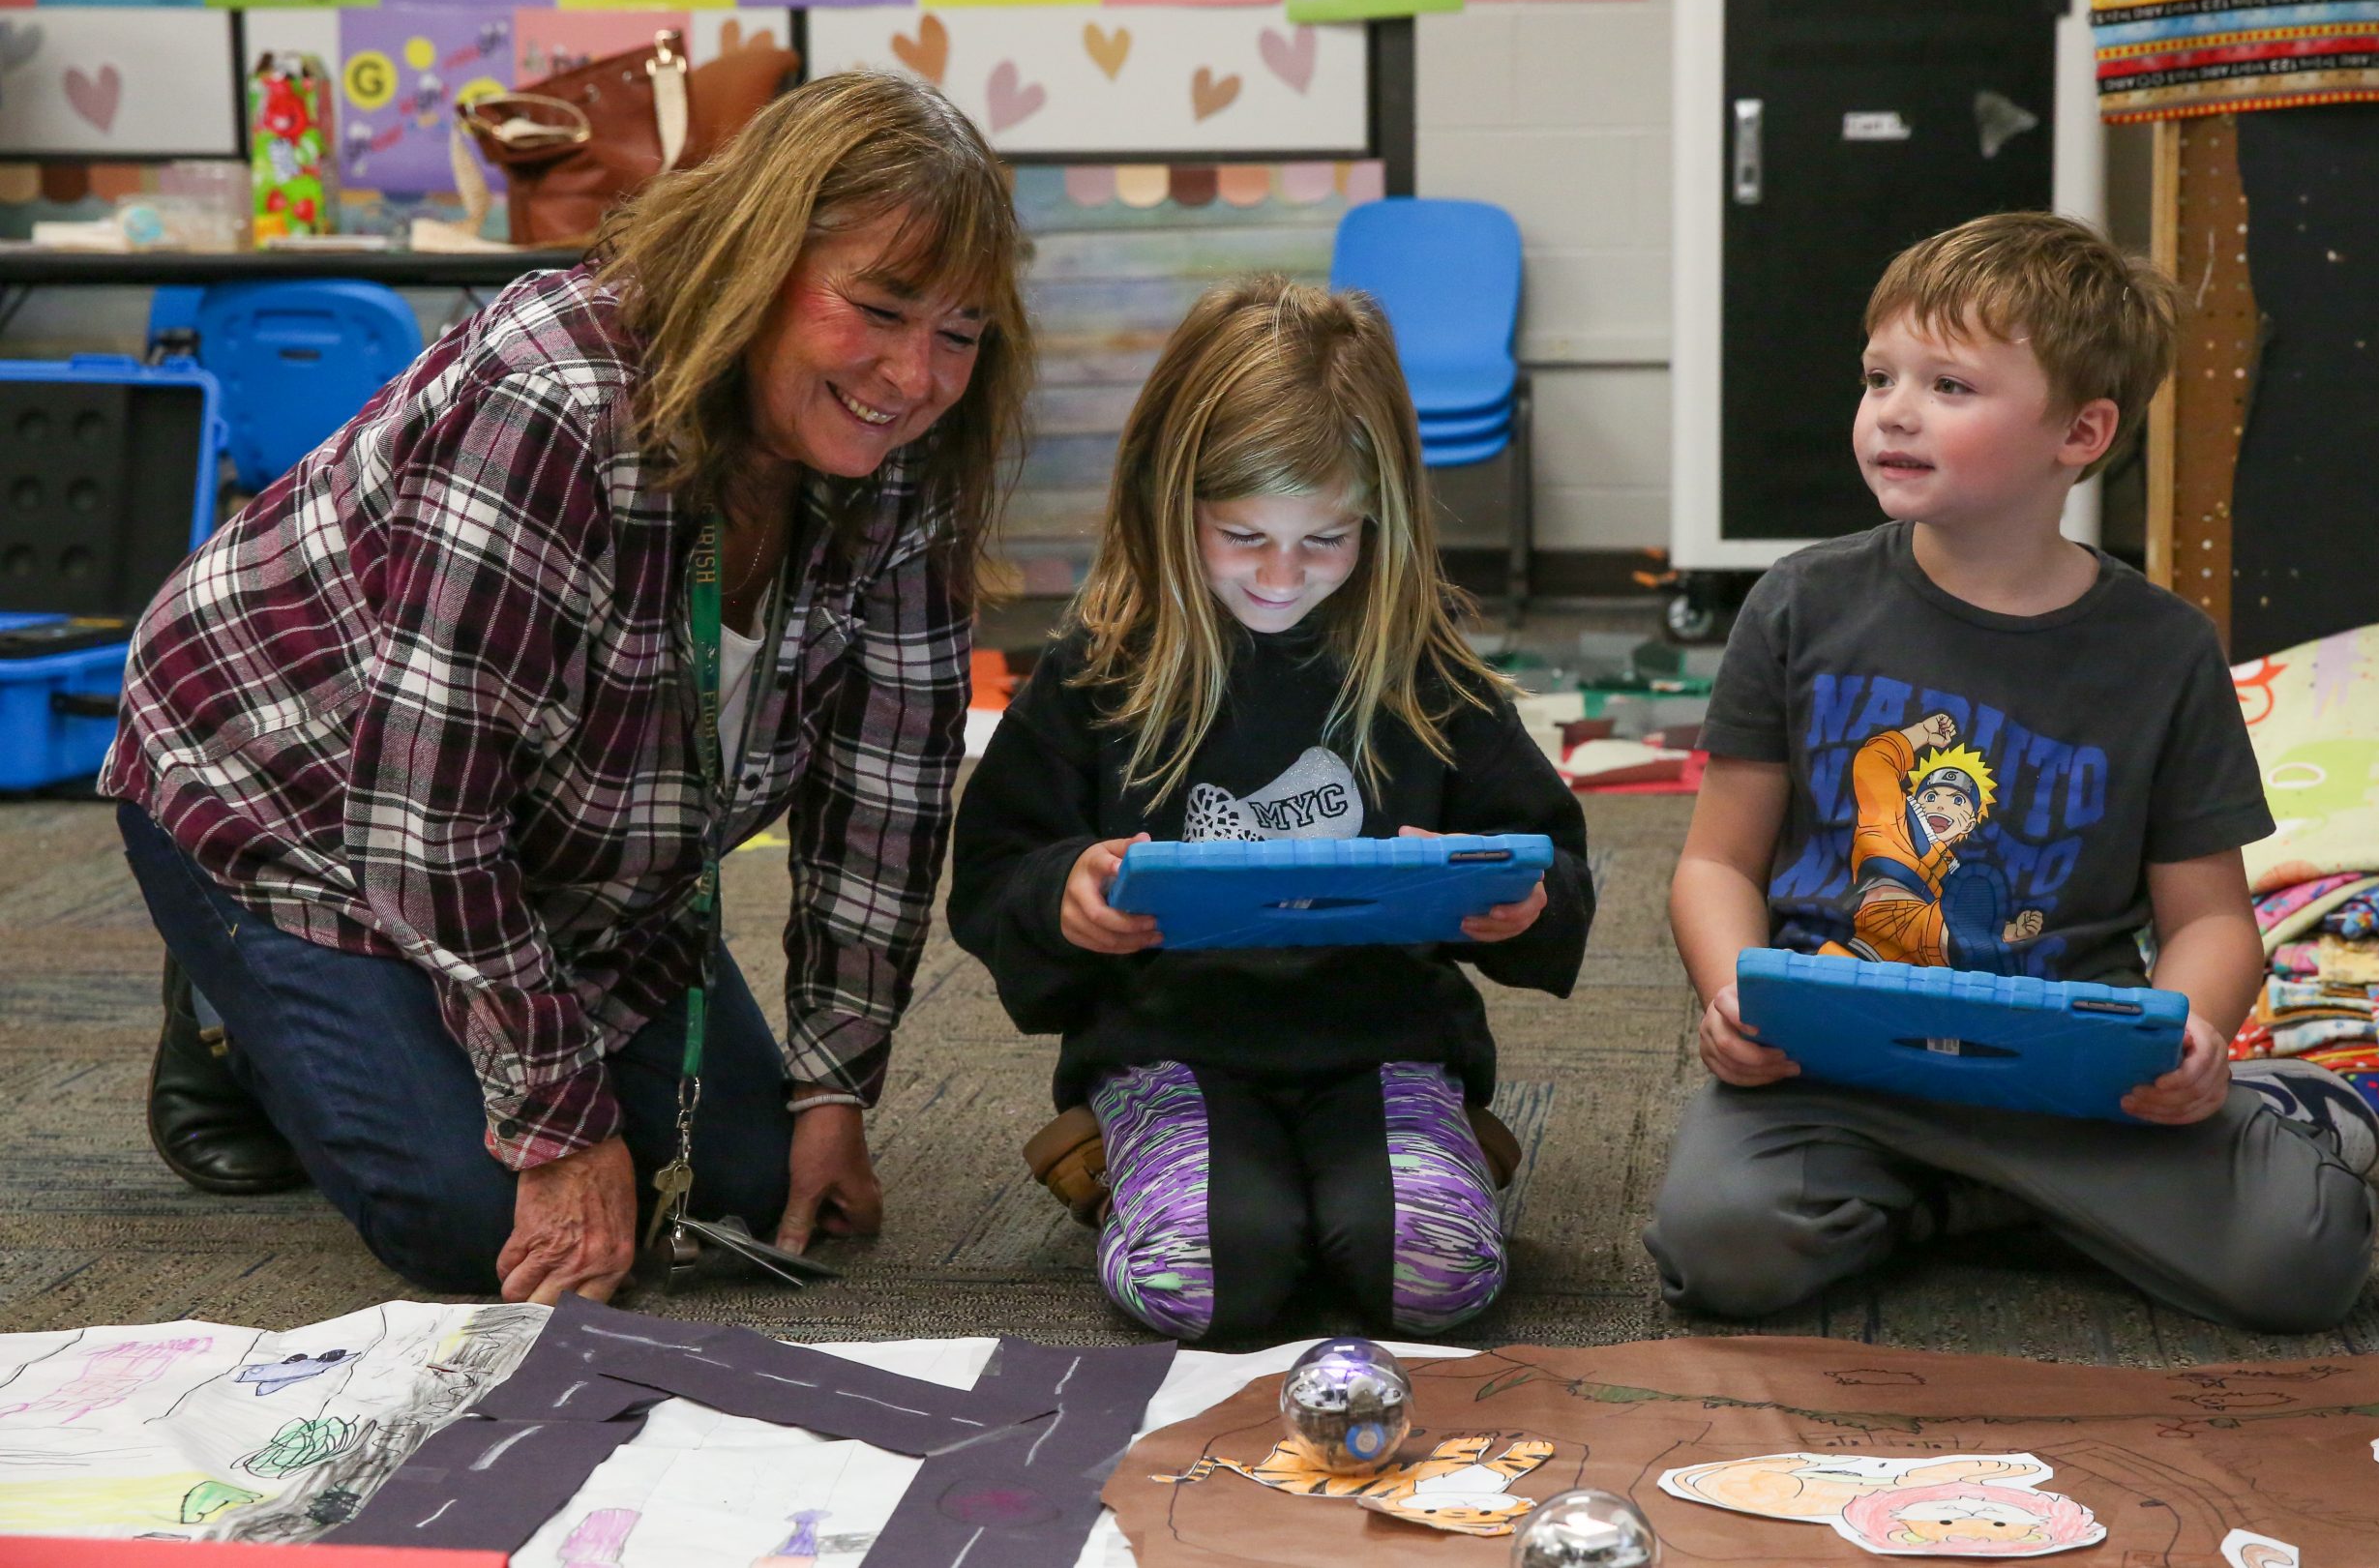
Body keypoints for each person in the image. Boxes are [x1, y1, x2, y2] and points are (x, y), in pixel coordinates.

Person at [104, 70, 1031, 1303]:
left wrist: (832, 1082)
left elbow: (889, 792)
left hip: (577, 851)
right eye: (877, 309)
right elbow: (421, 817)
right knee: (476, 1219)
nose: (913, 377)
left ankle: (398, 1026)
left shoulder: (906, 451)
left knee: (742, 1184)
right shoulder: (561, 398)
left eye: (959, 332)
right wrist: (556, 1127)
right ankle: (234, 1003)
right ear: (759, 262)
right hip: (298, 800)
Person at [1645, 212, 2379, 1333]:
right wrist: (1732, 988)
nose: (1893, 408)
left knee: (2303, 1266)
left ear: (2080, 432)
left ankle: (2251, 1114)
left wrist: (2197, 1034)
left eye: (1949, 386)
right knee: (1721, 1251)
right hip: (1839, 1070)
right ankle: (2002, 1205)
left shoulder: (2163, 648)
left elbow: (2213, 920)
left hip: (2071, 1078)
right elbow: (1713, 863)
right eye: (1880, 374)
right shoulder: (1799, 603)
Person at [947, 277, 1594, 1340]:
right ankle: (1125, 1156)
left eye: (1327, 541)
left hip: (1383, 1045)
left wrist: (1515, 904)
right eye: (1243, 537)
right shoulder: (1101, 673)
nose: (1284, 578)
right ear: (1171, 503)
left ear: (1378, 527)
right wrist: (1063, 893)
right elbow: (994, 866)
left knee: (1436, 1281)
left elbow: (1551, 863)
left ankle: (1435, 1153)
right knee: (1202, 1279)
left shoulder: (1419, 673)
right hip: (1173, 1048)